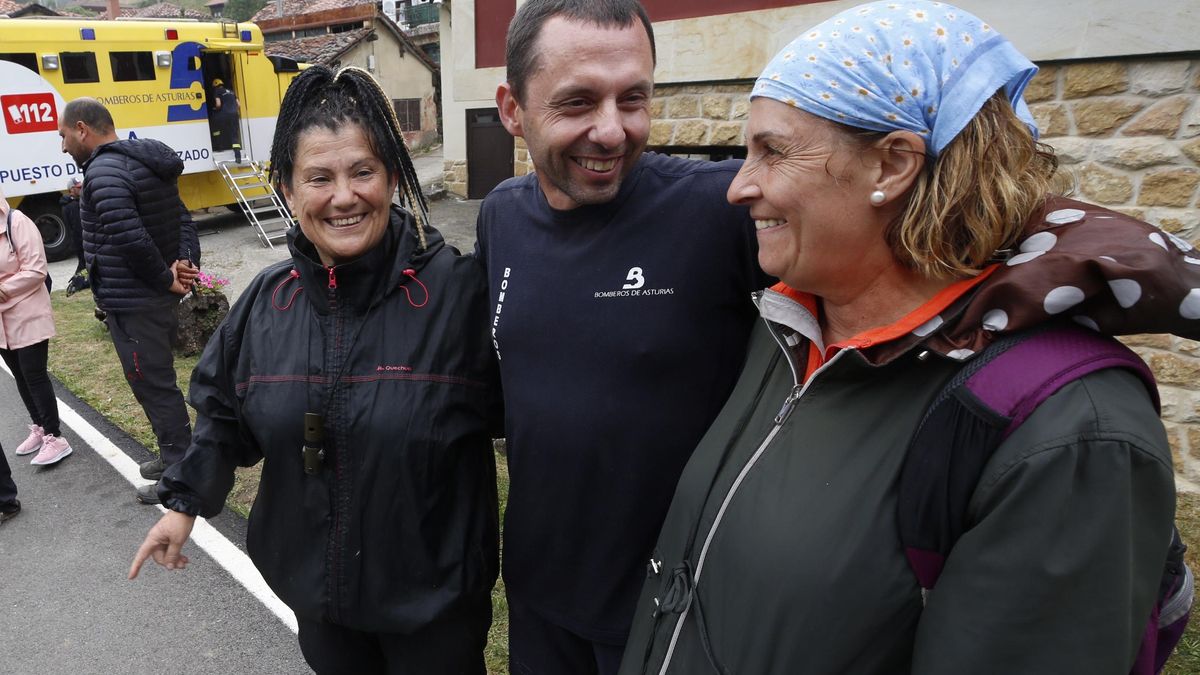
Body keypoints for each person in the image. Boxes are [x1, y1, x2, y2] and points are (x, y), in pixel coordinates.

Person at [620, 2, 1199, 673]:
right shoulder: (795, 322)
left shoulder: (1070, 432)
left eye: (772, 150)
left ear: (892, 165)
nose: (739, 186)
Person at [129, 65, 499, 675]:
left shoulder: (458, 293)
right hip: (319, 602)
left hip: (434, 607)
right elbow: (223, 416)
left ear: (390, 176)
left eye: (362, 171)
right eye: (319, 177)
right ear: (287, 187)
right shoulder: (267, 301)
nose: (344, 196)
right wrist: (184, 504)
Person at [475, 0, 768, 671]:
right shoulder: (500, 217)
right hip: (540, 597)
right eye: (578, 102)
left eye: (633, 99)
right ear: (513, 109)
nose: (612, 131)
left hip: (677, 609)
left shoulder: (719, 209)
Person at [58, 97, 200, 504]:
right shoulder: (140, 163)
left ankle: (179, 473)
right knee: (155, 383)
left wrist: (167, 278)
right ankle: (173, 451)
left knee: (153, 386)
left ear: (82, 129)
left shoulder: (103, 171)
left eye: (64, 136)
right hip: (151, 301)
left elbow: (129, 235)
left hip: (137, 304)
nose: (63, 146)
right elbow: (183, 219)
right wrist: (184, 265)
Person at [2, 187, 73, 467]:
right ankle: (40, 427)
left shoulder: (17, 222)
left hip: (27, 310)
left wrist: (2, 288)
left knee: (33, 373)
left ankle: (56, 437)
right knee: (19, 373)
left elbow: (35, 270)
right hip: (2, 319)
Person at [61, 176, 89, 296]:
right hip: (82, 242)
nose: (81, 189)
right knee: (85, 266)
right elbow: (77, 228)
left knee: (84, 266)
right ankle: (76, 284)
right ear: (71, 190)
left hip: (82, 241)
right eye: (78, 187)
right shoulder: (72, 206)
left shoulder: (73, 203)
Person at [210, 78, 242, 163]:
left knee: (218, 130)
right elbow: (238, 105)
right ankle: (238, 156)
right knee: (234, 134)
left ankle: (220, 148)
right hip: (234, 114)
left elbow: (218, 104)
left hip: (224, 115)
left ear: (215, 86)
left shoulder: (217, 91)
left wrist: (215, 109)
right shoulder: (231, 92)